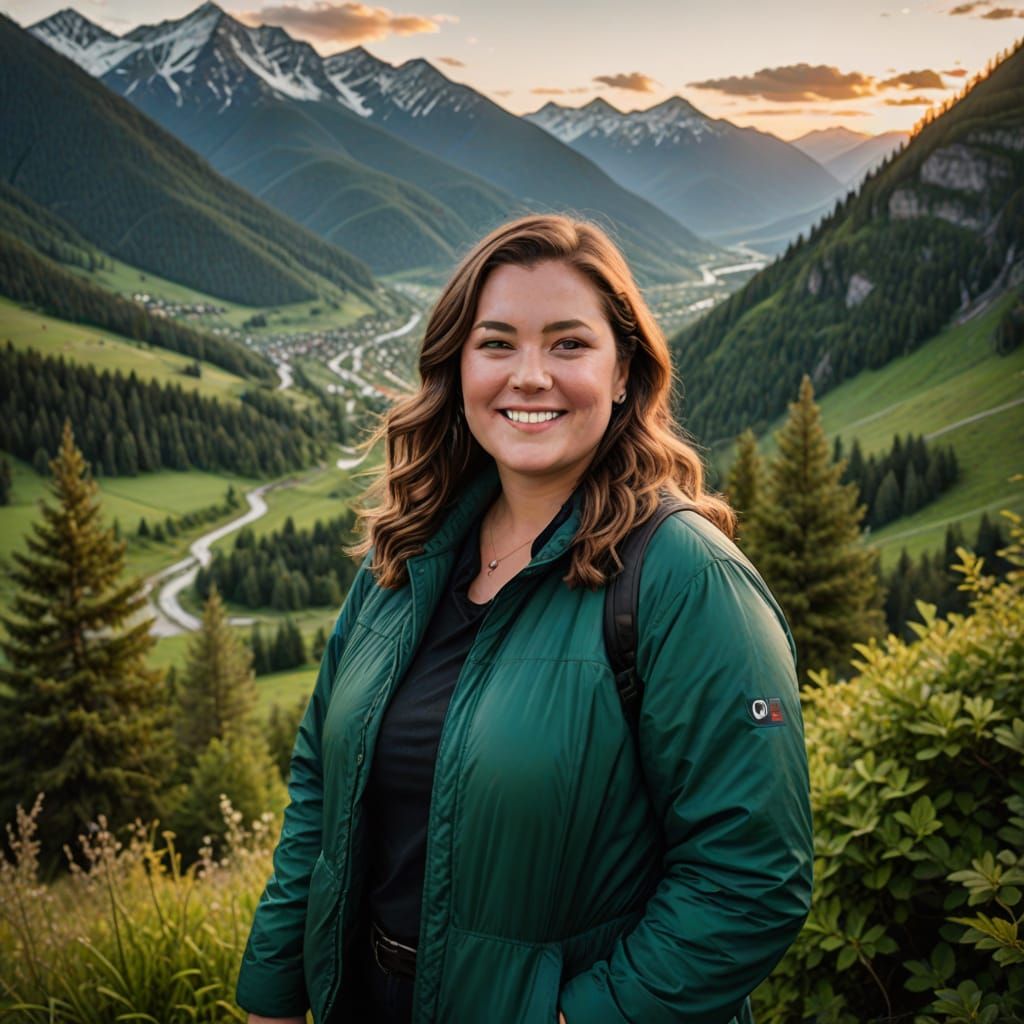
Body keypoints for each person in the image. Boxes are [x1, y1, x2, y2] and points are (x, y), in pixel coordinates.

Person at [236, 214, 813, 1024]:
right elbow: (319, 797)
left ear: (623, 375)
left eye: (569, 345)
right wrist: (272, 997)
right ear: (457, 367)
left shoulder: (685, 577)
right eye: (497, 343)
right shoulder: (405, 557)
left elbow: (751, 879)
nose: (530, 375)